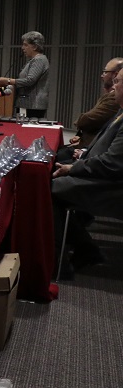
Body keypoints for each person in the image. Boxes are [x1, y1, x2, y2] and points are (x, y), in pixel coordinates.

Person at [51, 66, 123, 276]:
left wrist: (74, 168)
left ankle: (57, 263)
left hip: (111, 185)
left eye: (117, 82)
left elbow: (112, 163)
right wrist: (84, 155)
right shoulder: (120, 112)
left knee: (49, 189)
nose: (112, 88)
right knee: (49, 177)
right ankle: (85, 248)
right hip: (101, 174)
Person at [0, 31, 50, 119]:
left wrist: (8, 81)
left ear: (35, 46)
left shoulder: (39, 60)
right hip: (28, 104)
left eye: (25, 45)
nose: (22, 48)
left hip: (33, 105)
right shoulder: (34, 60)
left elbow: (30, 80)